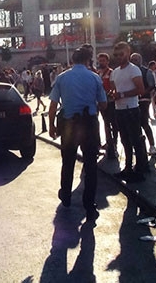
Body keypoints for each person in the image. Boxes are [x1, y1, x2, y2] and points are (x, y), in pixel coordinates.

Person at [48, 47, 107, 223]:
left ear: (72, 60)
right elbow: (103, 104)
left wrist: (51, 125)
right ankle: (89, 205)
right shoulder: (94, 77)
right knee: (90, 166)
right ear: (88, 60)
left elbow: (53, 104)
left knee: (68, 162)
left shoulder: (62, 78)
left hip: (69, 125)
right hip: (89, 124)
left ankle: (66, 195)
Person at [110, 42, 147, 182]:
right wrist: (113, 95)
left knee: (135, 139)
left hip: (131, 109)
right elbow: (114, 89)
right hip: (119, 109)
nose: (119, 57)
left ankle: (140, 170)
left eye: (121, 54)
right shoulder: (115, 72)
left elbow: (141, 89)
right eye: (116, 55)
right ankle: (128, 167)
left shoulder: (133, 70)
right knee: (124, 140)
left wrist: (122, 94)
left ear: (128, 53)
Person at [129, 52, 156, 155]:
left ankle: (152, 145)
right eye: (132, 59)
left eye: (136, 59)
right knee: (134, 124)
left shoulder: (146, 71)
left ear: (140, 60)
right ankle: (138, 146)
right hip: (131, 100)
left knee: (144, 122)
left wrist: (143, 92)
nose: (134, 61)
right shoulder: (128, 71)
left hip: (143, 100)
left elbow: (152, 85)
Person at [96, 52, 119, 158]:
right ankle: (108, 141)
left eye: (103, 60)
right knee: (105, 122)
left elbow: (114, 86)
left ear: (107, 61)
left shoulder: (111, 72)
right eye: (100, 61)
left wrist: (109, 94)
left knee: (113, 123)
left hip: (110, 102)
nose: (101, 62)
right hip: (101, 102)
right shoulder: (98, 73)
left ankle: (114, 142)